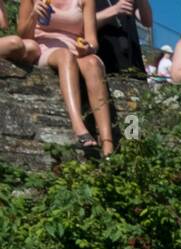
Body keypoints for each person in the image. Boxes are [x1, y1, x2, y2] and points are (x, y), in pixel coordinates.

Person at [16, 0, 115, 156]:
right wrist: (33, 15)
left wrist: (88, 47)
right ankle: (78, 127)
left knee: (93, 63)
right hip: (45, 49)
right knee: (65, 56)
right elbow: (22, 36)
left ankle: (108, 144)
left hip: (77, 50)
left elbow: (93, 41)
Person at [94, 0, 151, 75]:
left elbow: (147, 21)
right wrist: (115, 9)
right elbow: (81, 25)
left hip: (135, 66)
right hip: (106, 67)